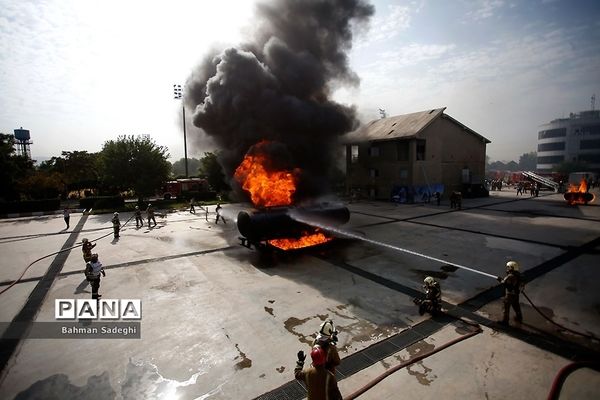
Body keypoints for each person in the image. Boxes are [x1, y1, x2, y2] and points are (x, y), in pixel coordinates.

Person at [497, 260, 523, 325]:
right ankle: (519, 317)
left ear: (511, 267)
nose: (507, 268)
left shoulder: (510, 276)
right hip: (516, 294)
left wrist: (500, 279)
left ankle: (505, 321)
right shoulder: (519, 275)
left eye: (508, 267)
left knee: (506, 307)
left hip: (509, 295)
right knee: (516, 306)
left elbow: (504, 283)